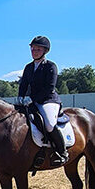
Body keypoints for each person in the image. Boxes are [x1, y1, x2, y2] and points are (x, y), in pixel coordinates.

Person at [17, 36, 68, 165]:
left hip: (48, 100)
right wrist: (20, 97)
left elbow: (49, 88)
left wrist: (32, 99)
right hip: (31, 100)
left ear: (45, 51)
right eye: (33, 49)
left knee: (50, 124)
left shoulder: (51, 66)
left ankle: (62, 152)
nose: (34, 51)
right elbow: (23, 84)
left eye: (38, 49)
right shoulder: (28, 67)